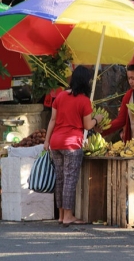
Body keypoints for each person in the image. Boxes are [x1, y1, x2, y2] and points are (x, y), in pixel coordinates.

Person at [43, 65, 103, 227]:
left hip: (55, 142)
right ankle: (69, 216)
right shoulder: (84, 101)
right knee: (69, 179)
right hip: (71, 144)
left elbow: (52, 120)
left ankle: (62, 215)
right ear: (86, 82)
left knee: (60, 179)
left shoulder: (61, 96)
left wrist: (46, 141)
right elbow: (88, 125)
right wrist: (97, 118)